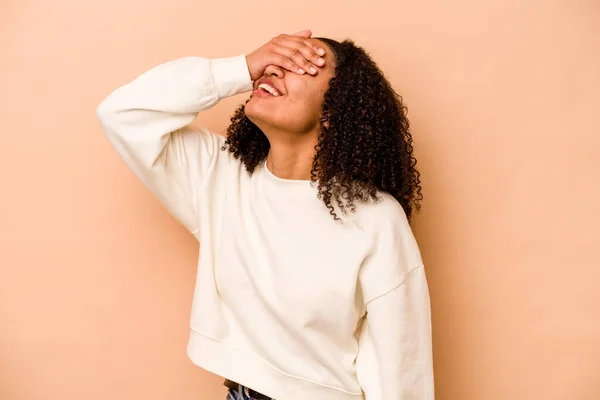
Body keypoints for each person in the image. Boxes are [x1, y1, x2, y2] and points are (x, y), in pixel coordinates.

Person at [97, 29, 434, 400]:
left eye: (300, 64)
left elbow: (401, 371)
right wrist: (241, 68)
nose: (274, 70)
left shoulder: (375, 219)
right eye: (275, 61)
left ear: (334, 112)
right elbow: (121, 113)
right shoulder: (219, 173)